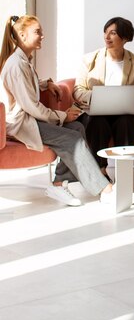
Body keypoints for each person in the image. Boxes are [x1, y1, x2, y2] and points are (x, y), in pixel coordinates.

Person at [0, 15, 114, 207]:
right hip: (21, 124)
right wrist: (62, 115)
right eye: (37, 32)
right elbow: (31, 107)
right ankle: (106, 190)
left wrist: (46, 84)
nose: (42, 36)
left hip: (31, 118)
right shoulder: (16, 64)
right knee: (73, 138)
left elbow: (28, 86)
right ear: (22, 35)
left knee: (77, 127)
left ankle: (59, 183)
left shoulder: (23, 60)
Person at [73, 17, 134, 179]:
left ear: (125, 38)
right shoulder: (89, 59)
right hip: (94, 111)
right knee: (97, 122)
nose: (107, 37)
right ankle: (100, 170)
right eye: (105, 32)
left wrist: (133, 97)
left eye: (113, 33)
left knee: (127, 121)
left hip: (123, 111)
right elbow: (78, 90)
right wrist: (98, 96)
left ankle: (123, 170)